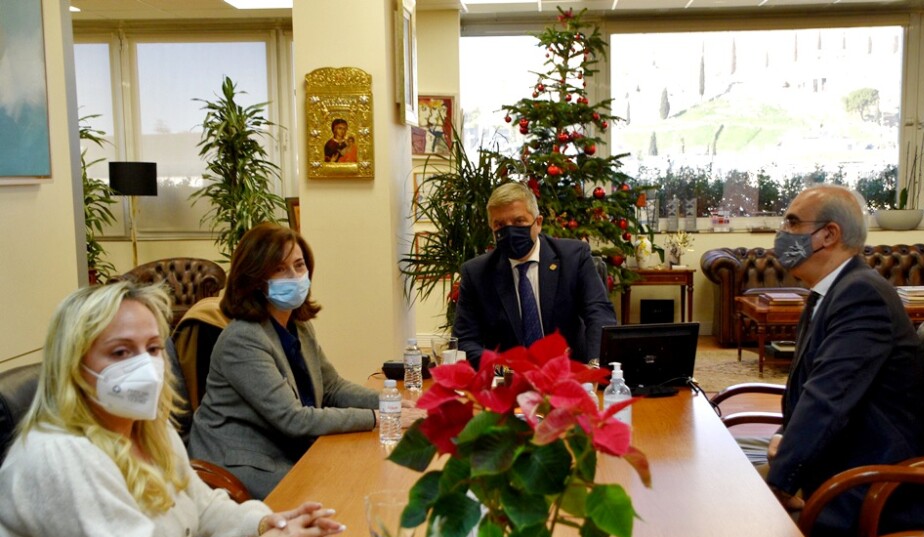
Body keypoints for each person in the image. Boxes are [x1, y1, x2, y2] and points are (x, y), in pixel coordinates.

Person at [0, 282, 343, 537]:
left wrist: (266, 524)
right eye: (120, 352)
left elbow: (204, 506)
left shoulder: (150, 429)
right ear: (74, 366)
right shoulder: (58, 455)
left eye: (152, 349)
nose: (144, 366)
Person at [189, 224, 421, 499]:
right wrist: (380, 417)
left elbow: (333, 387)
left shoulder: (298, 325)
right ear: (254, 279)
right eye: (280, 269)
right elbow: (293, 418)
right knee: (340, 494)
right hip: (242, 463)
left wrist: (391, 402)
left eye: (299, 266)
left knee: (368, 474)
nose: (295, 276)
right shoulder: (242, 339)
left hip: (288, 449)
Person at [766, 184, 924, 537]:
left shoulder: (861, 294)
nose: (782, 234)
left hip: (863, 495)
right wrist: (784, 437)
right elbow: (809, 391)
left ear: (828, 235)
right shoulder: (827, 293)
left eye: (792, 223)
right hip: (830, 474)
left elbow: (828, 399)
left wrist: (777, 486)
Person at [452, 182, 618, 369]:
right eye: (500, 225)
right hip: (507, 376)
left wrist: (594, 365)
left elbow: (599, 314)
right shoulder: (476, 273)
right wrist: (504, 371)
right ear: (492, 229)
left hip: (569, 372)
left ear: (538, 223)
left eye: (519, 221)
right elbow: (465, 341)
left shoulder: (573, 257)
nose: (510, 231)